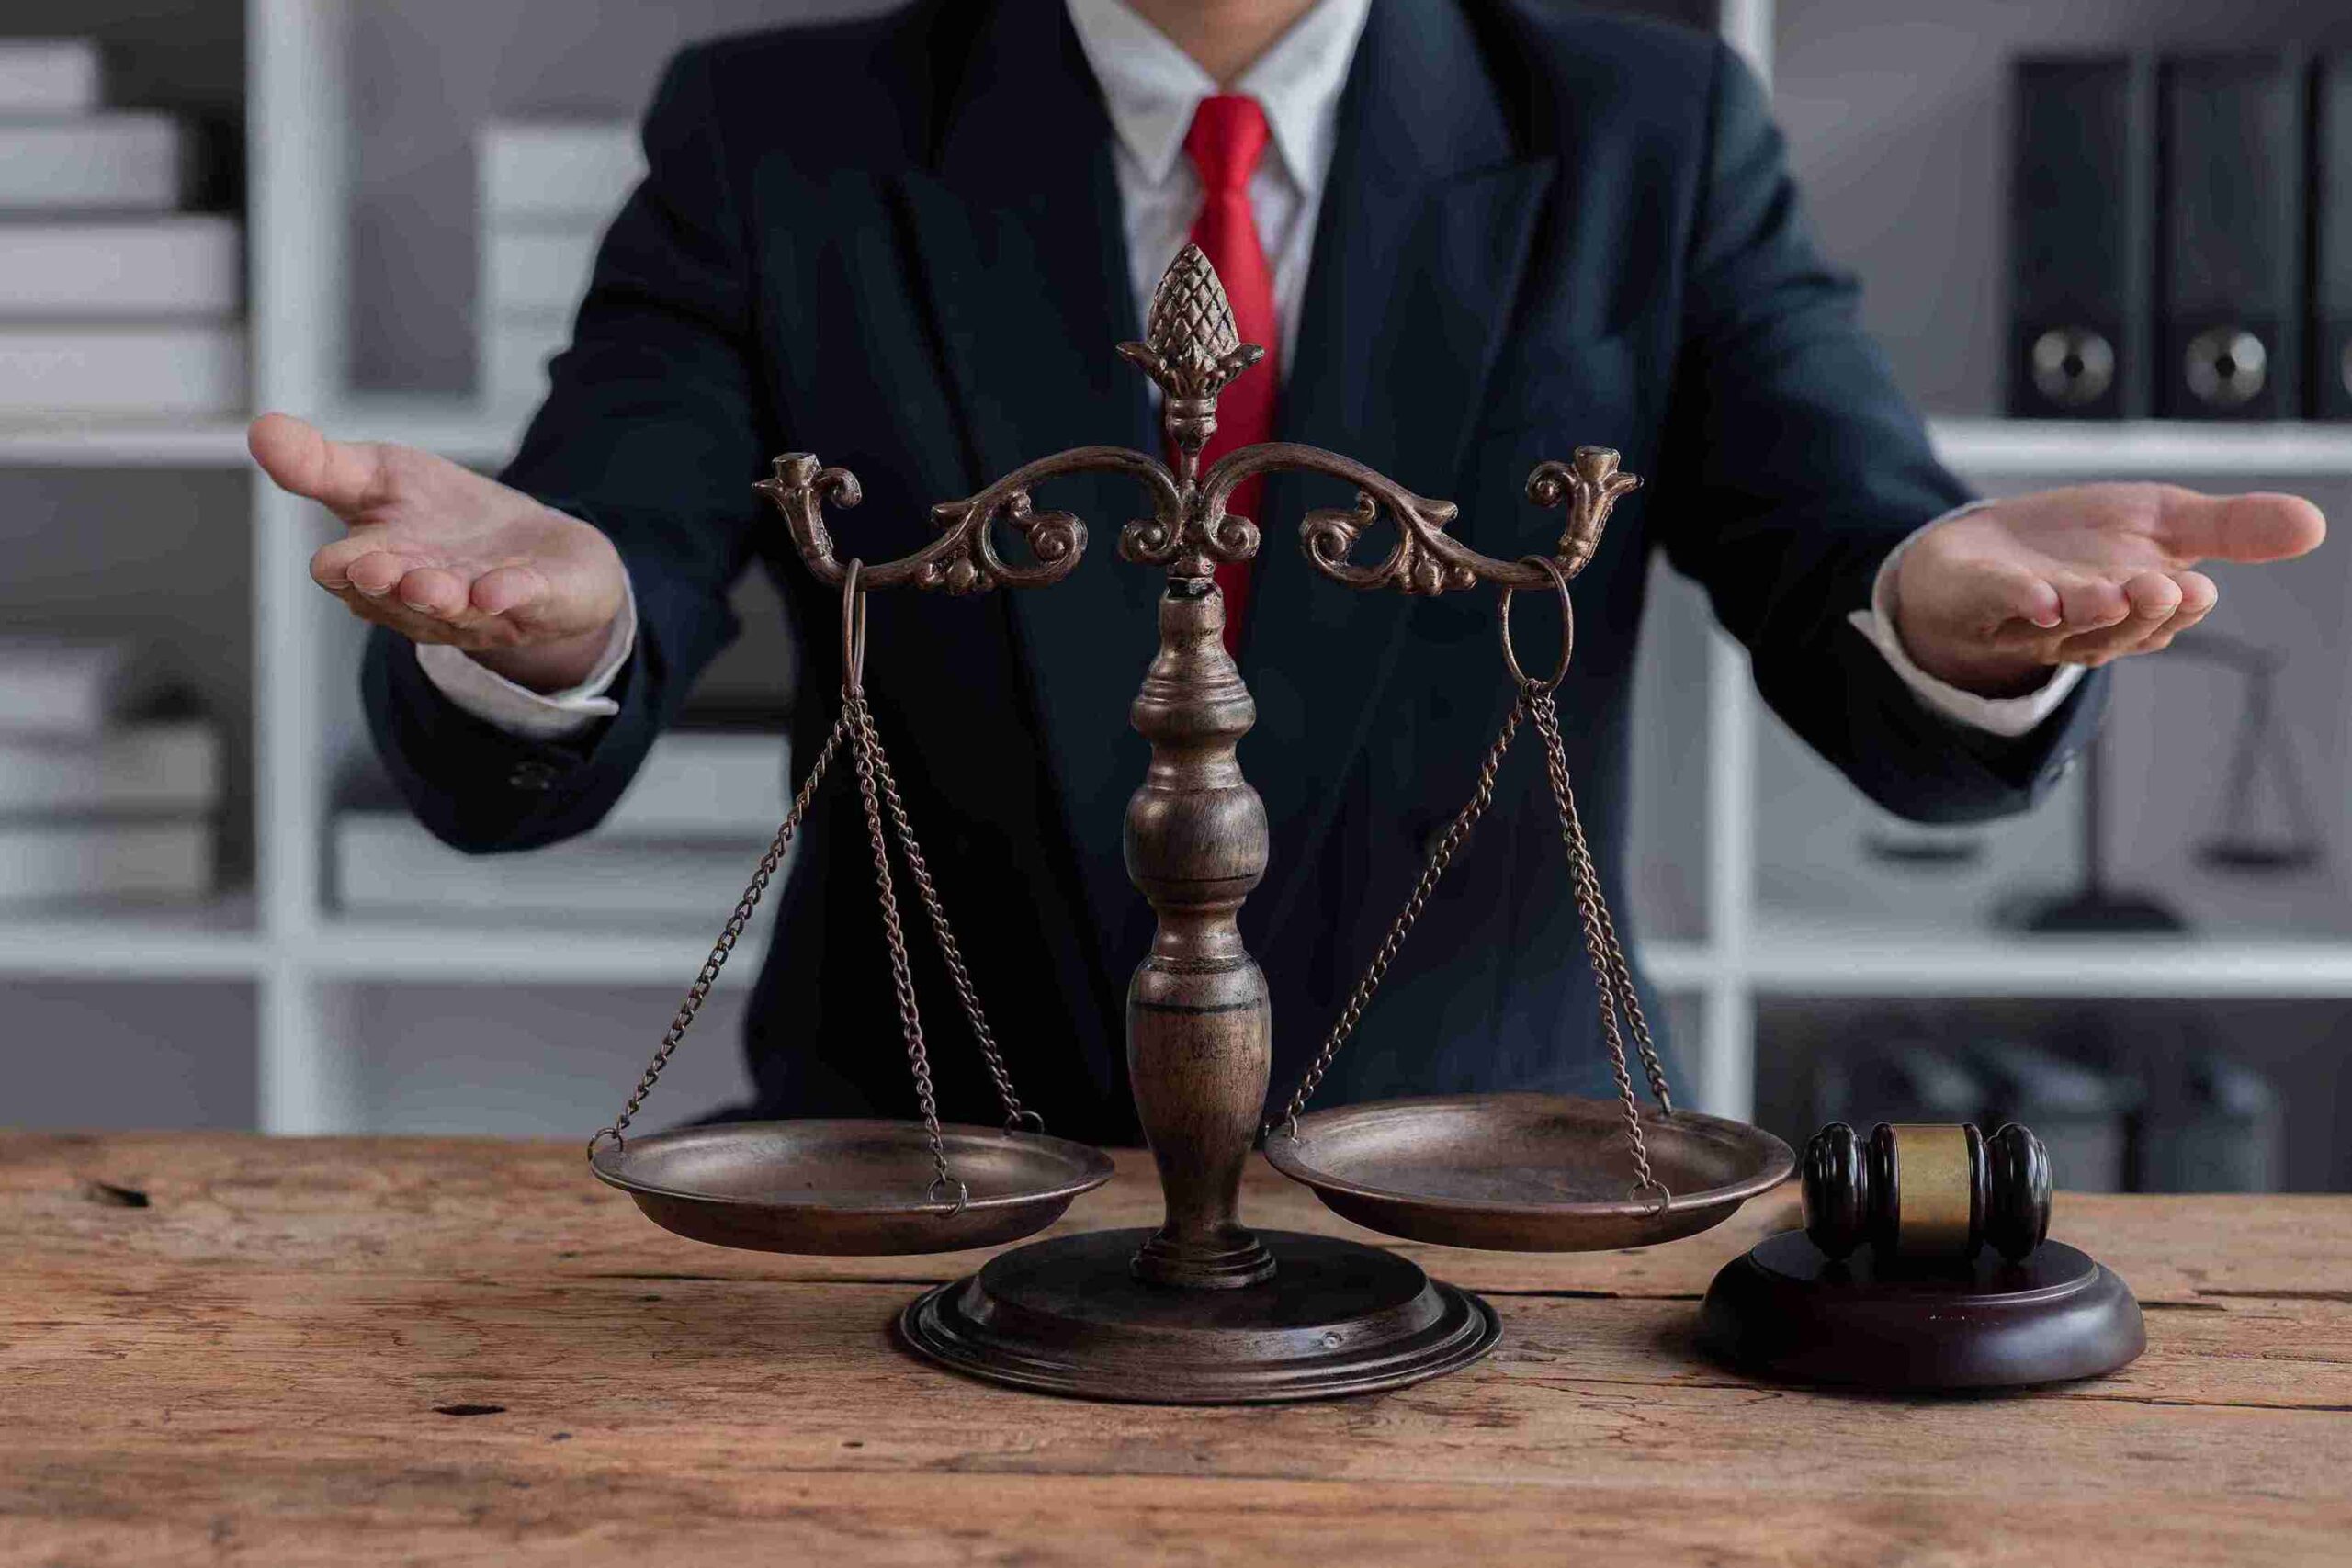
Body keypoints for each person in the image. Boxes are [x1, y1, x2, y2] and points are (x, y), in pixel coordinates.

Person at [248, 0, 2324, 1142]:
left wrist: (1952, 623)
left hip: (1485, 1190)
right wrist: (562, 622)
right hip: (937, 1180)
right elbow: (613, 533)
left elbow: (1841, 538)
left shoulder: (1642, 124)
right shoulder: (778, 129)